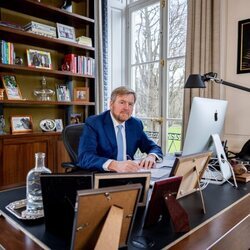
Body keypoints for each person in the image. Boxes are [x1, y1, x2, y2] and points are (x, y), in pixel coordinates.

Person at [78, 86, 163, 172]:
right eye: (122, 102)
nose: (126, 108)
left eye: (130, 104)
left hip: (129, 175)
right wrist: (115, 165)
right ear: (111, 104)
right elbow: (85, 157)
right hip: (103, 176)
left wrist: (151, 156)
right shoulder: (94, 123)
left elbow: (153, 147)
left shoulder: (135, 124)